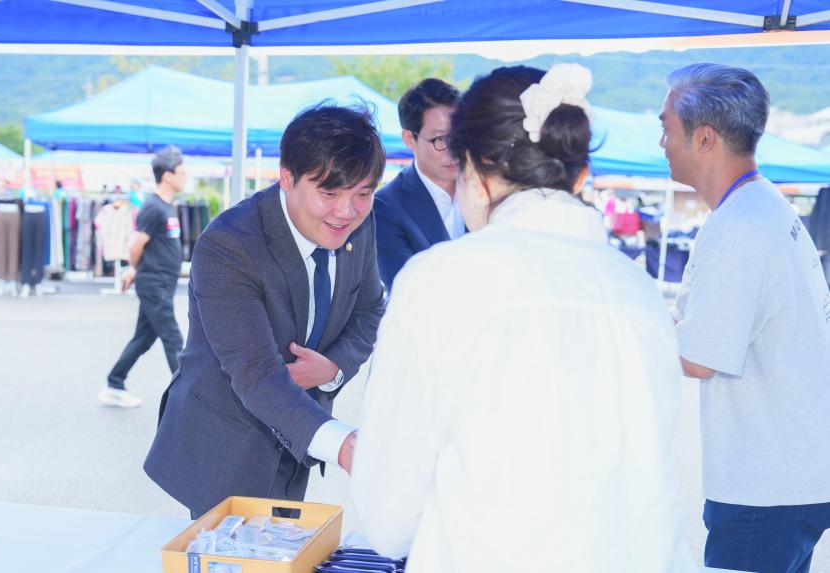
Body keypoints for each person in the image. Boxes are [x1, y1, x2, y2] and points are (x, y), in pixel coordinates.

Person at [351, 65, 697, 573]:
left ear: (477, 165)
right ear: (577, 174)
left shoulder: (443, 280)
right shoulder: (638, 290)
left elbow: (388, 515)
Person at [144, 103, 385, 518]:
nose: (347, 211)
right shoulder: (229, 246)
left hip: (300, 435)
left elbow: (370, 311)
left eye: (363, 193)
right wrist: (343, 445)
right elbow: (255, 374)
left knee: (285, 543)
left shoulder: (357, 222)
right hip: (226, 442)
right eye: (329, 192)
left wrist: (334, 368)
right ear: (287, 177)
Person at [662, 63, 830, 573]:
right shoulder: (762, 207)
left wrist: (623, 325)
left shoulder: (741, 225)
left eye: (666, 127)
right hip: (789, 476)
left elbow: (699, 357)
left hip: (765, 487)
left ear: (705, 137)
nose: (662, 141)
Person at [99, 146, 185, 408]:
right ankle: (186, 397)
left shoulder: (167, 207)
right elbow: (135, 244)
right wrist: (135, 269)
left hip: (162, 281)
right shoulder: (152, 207)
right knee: (173, 337)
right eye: (181, 173)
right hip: (154, 283)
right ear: (168, 175)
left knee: (144, 338)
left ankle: (114, 382)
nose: (185, 177)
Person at [374, 78, 462, 292]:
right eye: (440, 139)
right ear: (409, 139)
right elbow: (408, 290)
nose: (454, 150)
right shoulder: (386, 206)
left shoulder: (489, 187)